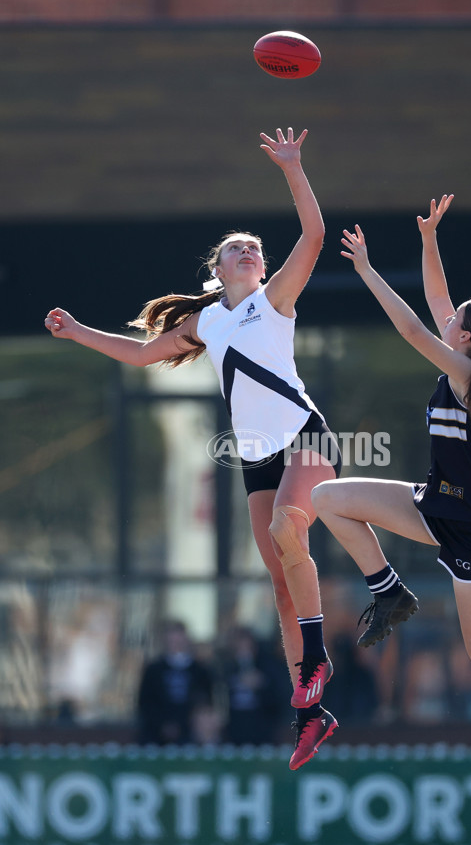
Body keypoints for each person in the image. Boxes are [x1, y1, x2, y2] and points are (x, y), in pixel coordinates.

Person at [45, 128, 341, 770]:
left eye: (255, 250)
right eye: (238, 249)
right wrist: (76, 334)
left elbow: (314, 236)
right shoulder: (206, 321)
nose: (250, 254)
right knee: (280, 586)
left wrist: (293, 168)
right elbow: (140, 353)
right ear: (217, 268)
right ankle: (312, 714)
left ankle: (317, 663)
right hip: (258, 455)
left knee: (291, 535)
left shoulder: (275, 301)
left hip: (304, 436)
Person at [311, 195, 471, 841]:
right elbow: (438, 301)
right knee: (330, 499)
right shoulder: (462, 352)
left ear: (465, 338)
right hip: (434, 499)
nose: (450, 318)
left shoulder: (469, 376)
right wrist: (429, 237)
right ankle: (391, 593)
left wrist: (366, 270)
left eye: (458, 321)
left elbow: (415, 328)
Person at [137, 619, 215, 745]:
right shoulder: (154, 670)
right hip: (156, 737)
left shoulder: (200, 671)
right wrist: (162, 724)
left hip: (190, 737)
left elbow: (206, 703)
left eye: (179, 638)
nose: (176, 643)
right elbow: (145, 702)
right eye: (172, 639)